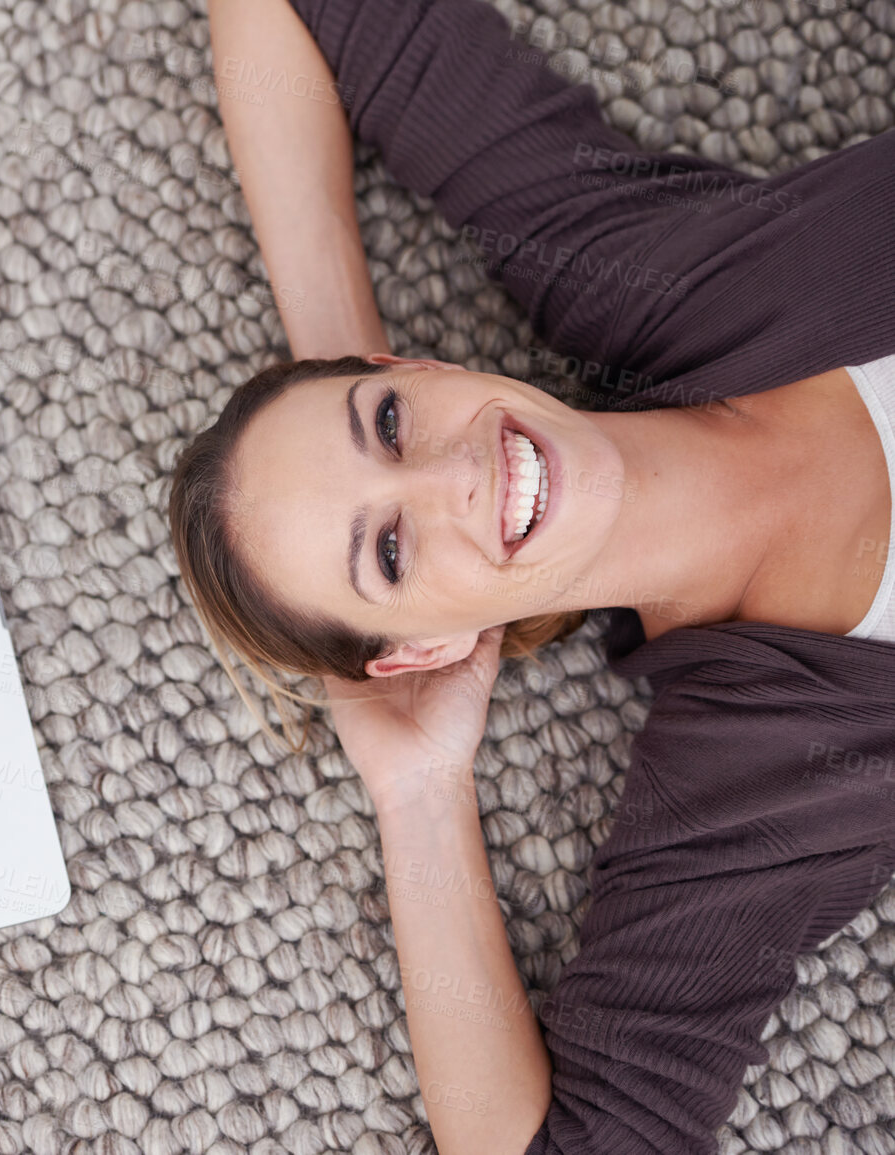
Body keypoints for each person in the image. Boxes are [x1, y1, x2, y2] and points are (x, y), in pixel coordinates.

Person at [169, 1, 895, 1152]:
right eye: (390, 553)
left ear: (417, 364)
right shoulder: (754, 787)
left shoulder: (636, 274)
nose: (455, 475)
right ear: (417, 649)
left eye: (392, 421)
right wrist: (418, 796)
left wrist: (329, 353)